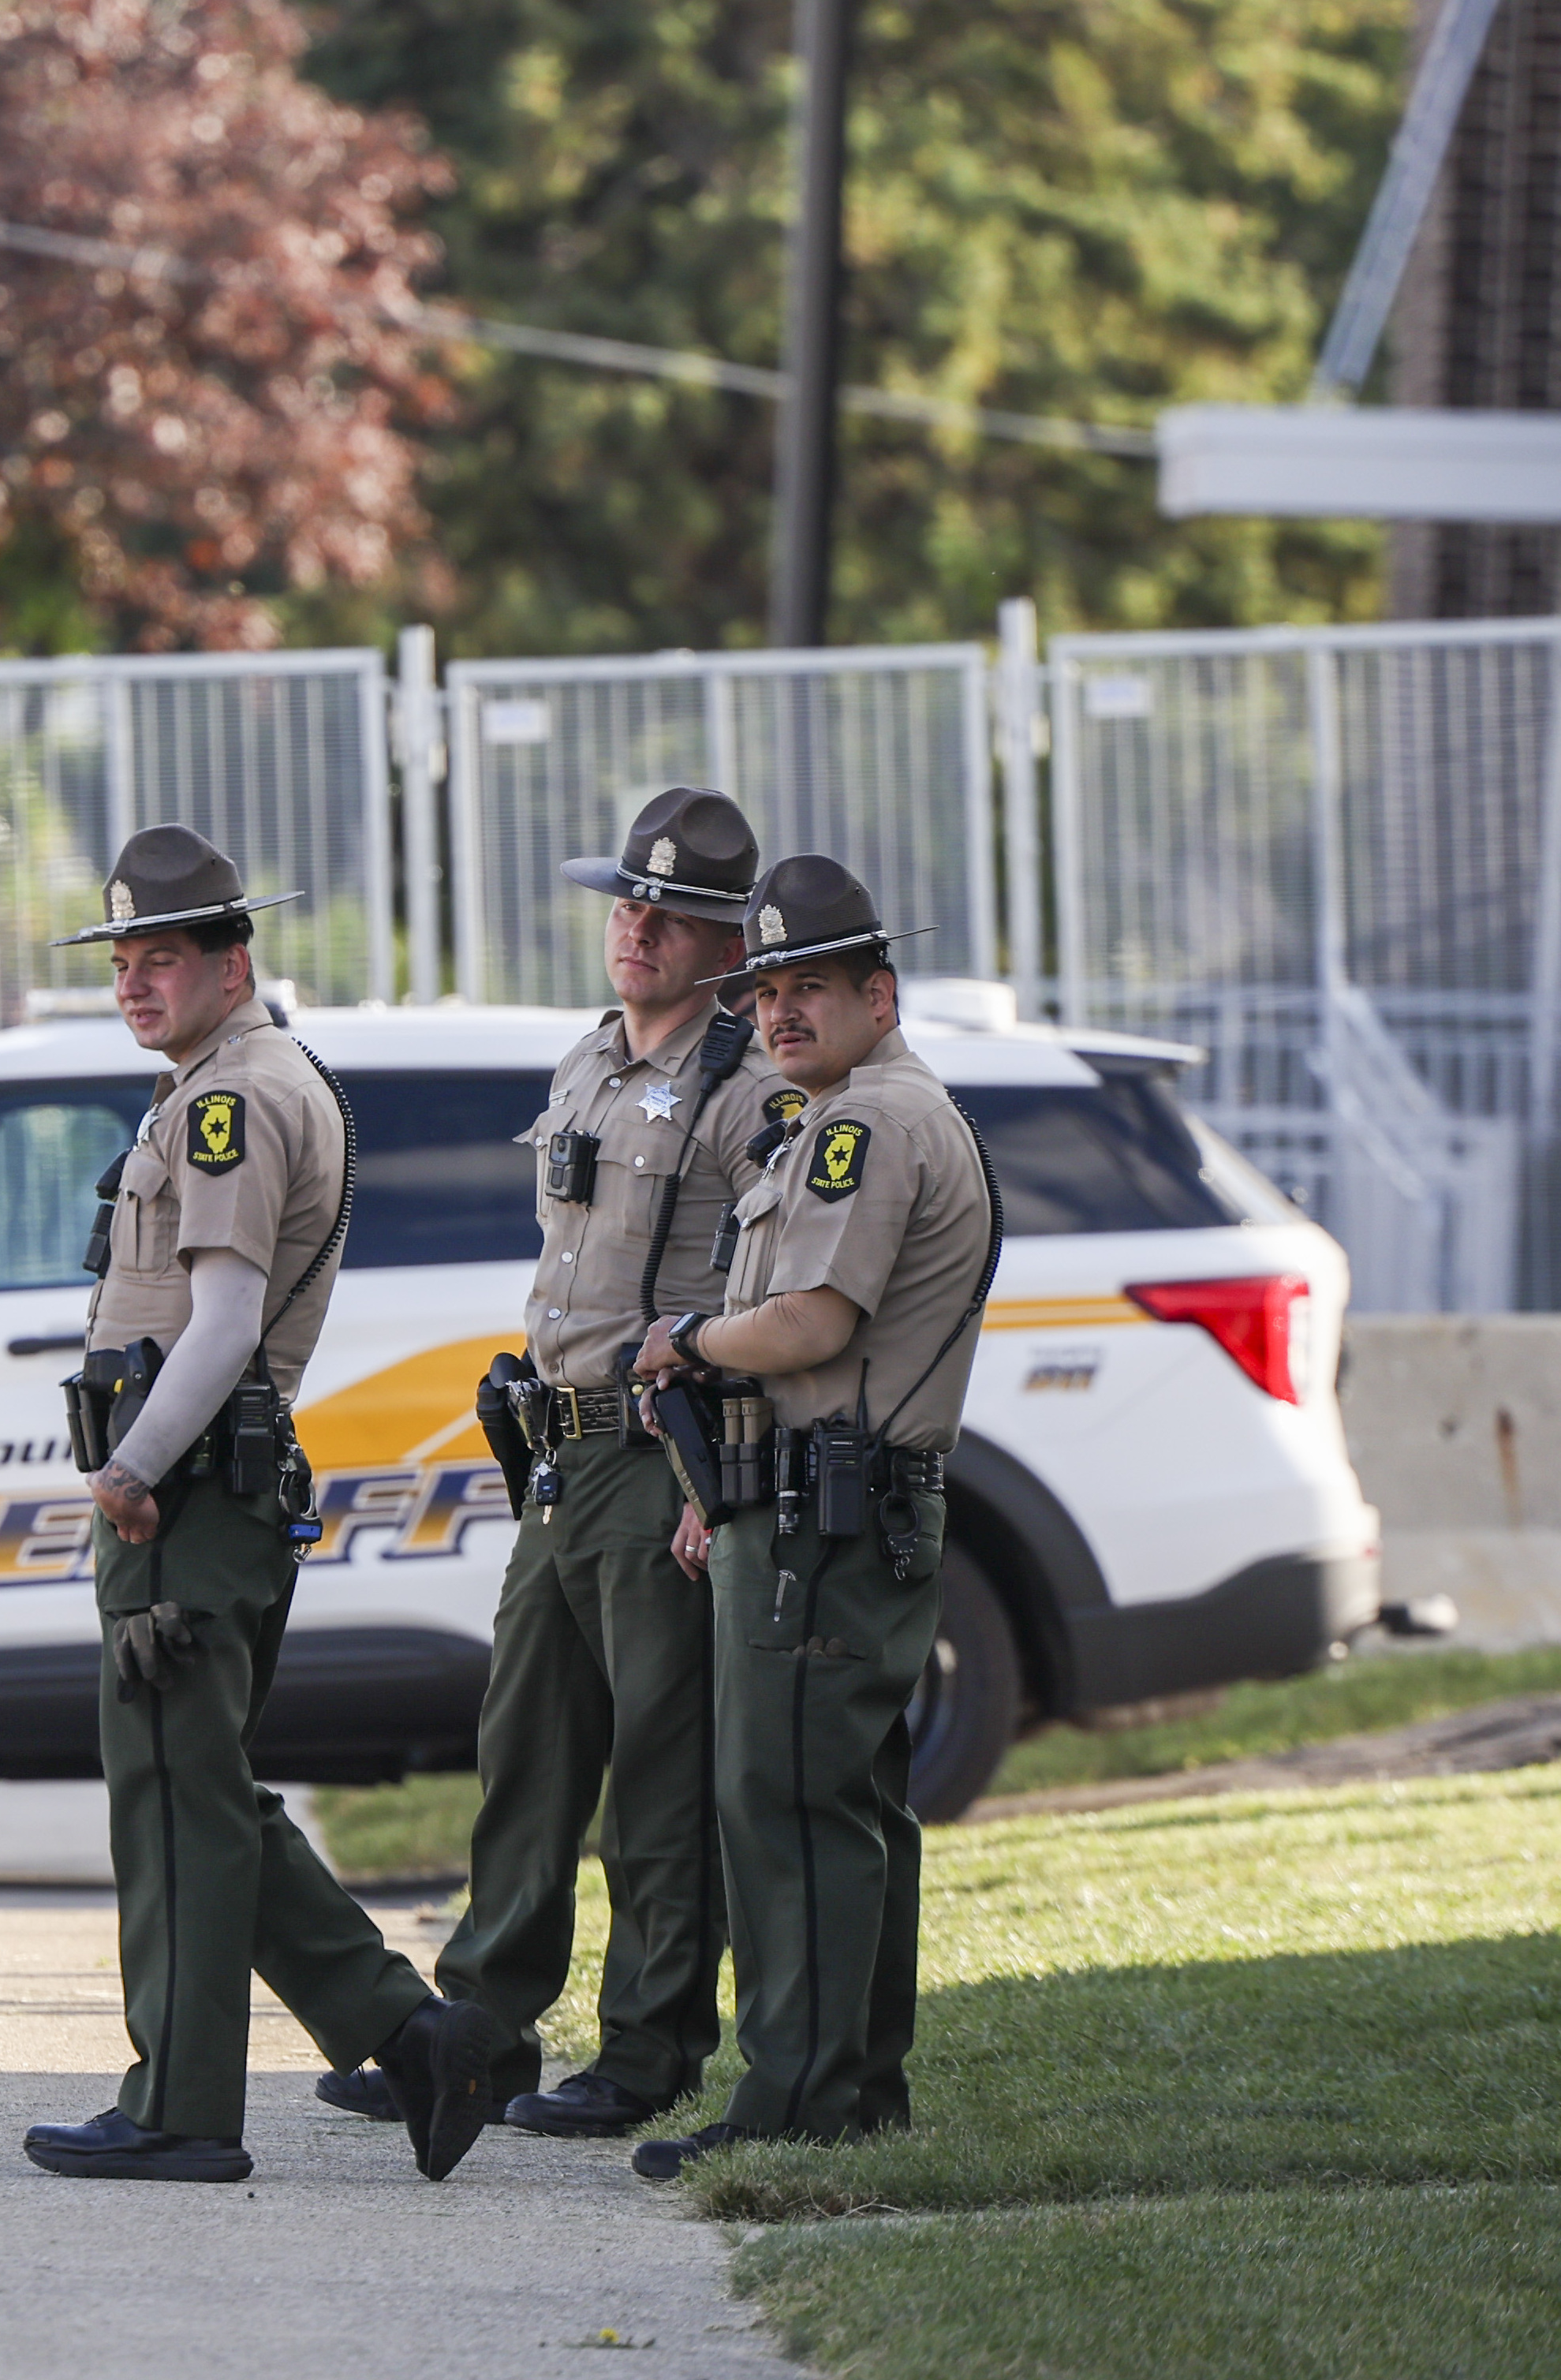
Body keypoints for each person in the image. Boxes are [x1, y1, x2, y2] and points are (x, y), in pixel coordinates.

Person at [21, 824, 507, 2187]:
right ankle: (417, 2038)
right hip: (202, 1485)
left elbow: (225, 1317)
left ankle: (180, 2109)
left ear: (234, 960)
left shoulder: (232, 1099)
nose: (134, 981)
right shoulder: (218, 1081)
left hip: (186, 1489)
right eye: (122, 958)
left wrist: (131, 1470)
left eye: (162, 957)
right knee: (201, 1787)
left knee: (176, 1801)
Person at [312, 788, 779, 2141]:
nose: (639, 926)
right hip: (561, 1453)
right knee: (524, 1749)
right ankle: (481, 2034)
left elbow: (762, 1287)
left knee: (656, 1770)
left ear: (727, 942)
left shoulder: (748, 1092)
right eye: (630, 900)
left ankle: (648, 2048)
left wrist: (712, 1482)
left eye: (674, 912)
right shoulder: (587, 1062)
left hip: (659, 1450)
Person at [626, 854, 996, 2181]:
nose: (781, 1014)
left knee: (784, 1803)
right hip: (804, 1510)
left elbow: (811, 1324)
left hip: (826, 1526)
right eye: (768, 990)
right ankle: (854, 2088)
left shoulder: (865, 1128)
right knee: (841, 1805)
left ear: (879, 993)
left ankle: (795, 2101)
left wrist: (682, 1335)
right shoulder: (836, 1116)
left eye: (812, 989)